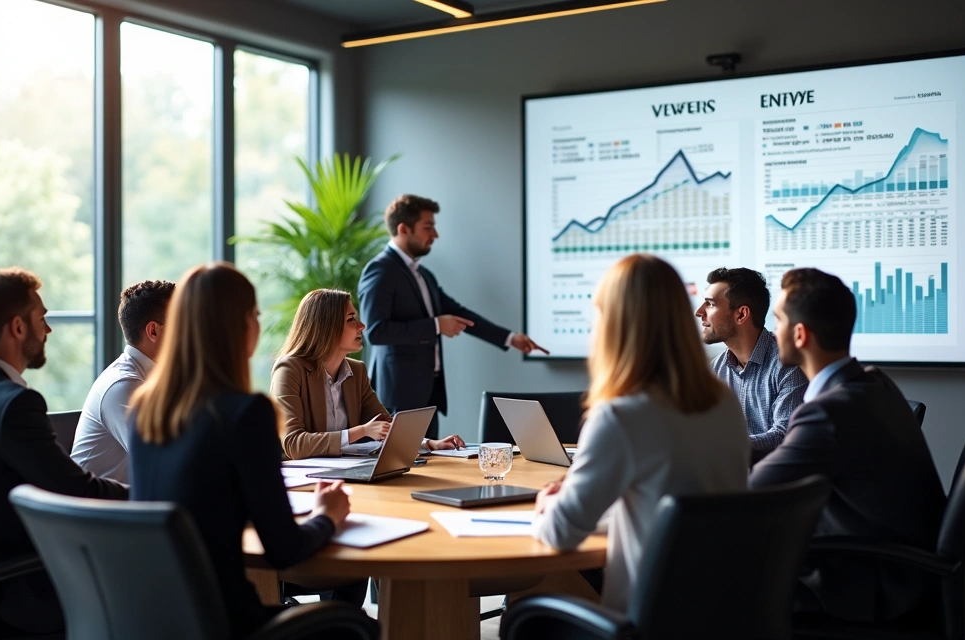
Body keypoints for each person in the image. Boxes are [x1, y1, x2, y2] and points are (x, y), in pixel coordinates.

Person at [128, 263, 353, 637]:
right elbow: (285, 550)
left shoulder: (145, 409)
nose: (258, 325)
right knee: (358, 625)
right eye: (254, 314)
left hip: (157, 620)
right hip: (226, 623)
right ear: (237, 326)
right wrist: (327, 515)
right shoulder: (246, 413)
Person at [530, 255, 749, 611]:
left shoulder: (619, 415)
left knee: (528, 607)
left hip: (647, 621)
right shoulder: (722, 401)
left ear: (613, 325)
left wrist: (549, 502)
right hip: (722, 615)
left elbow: (560, 533)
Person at [0, 267, 128, 635]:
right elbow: (78, 492)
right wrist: (154, 494)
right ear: (18, 328)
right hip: (27, 590)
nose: (47, 330)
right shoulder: (12, 404)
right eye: (42, 319)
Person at [750, 267, 946, 623]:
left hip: (870, 587)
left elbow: (753, 493)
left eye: (776, 320)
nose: (770, 330)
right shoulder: (873, 383)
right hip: (905, 574)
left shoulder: (828, 412)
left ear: (799, 334)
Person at [358, 194, 547, 437]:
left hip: (427, 394)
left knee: (430, 467)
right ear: (404, 229)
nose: (435, 235)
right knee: (403, 469)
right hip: (398, 396)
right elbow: (375, 331)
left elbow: (459, 314)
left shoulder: (424, 275)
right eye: (428, 227)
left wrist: (509, 338)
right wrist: (435, 325)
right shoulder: (381, 270)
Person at [272, 288, 467, 460]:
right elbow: (293, 444)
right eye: (351, 319)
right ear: (326, 327)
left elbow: (385, 425)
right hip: (304, 483)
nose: (361, 326)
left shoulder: (356, 371)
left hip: (345, 473)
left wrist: (429, 444)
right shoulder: (290, 370)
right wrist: (361, 431)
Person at [696, 267, 807, 463]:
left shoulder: (787, 365)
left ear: (741, 315)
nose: (699, 312)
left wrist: (722, 446)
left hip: (774, 484)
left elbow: (785, 436)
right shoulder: (717, 368)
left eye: (710, 304)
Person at [71, 280, 174, 482]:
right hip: (100, 510)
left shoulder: (158, 380)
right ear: (153, 331)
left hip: (134, 504)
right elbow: (162, 461)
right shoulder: (124, 385)